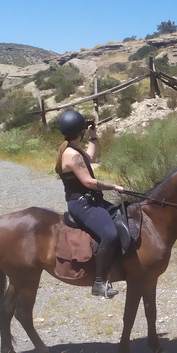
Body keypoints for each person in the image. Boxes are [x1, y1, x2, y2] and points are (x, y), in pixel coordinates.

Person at [55, 110, 125, 298]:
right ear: (80, 131)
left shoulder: (72, 149)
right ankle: (99, 283)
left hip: (90, 200)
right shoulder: (71, 154)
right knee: (110, 235)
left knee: (122, 217)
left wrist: (93, 136)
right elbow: (89, 182)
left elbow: (91, 158)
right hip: (82, 204)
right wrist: (113, 186)